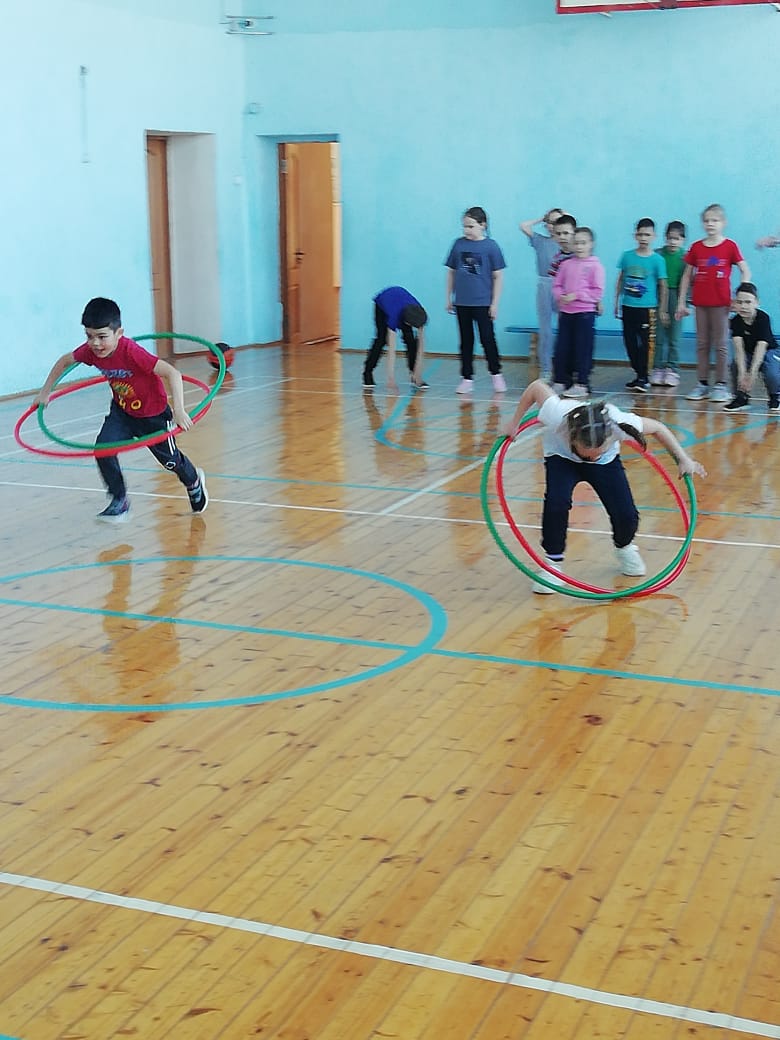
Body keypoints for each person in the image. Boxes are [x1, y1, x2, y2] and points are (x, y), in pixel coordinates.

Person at [502, 379, 706, 594]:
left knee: (626, 514)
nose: (591, 458)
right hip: (562, 459)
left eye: (597, 452)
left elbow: (658, 428)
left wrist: (684, 459)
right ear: (572, 436)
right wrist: (514, 423)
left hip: (606, 465)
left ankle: (624, 547)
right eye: (586, 453)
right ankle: (552, 565)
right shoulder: (557, 414)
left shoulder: (618, 422)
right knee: (556, 504)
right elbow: (536, 387)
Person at [32, 297, 208, 523]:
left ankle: (193, 481)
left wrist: (179, 411)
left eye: (102, 336)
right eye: (89, 336)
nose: (95, 343)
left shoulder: (131, 352)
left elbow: (172, 373)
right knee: (102, 449)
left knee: (170, 461)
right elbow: (64, 361)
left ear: (119, 333)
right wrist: (45, 392)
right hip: (122, 412)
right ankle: (120, 500)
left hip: (153, 415)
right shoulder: (90, 351)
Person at [676, 204, 751, 402]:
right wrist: (681, 302)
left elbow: (745, 270)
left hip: (721, 305)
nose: (710, 224)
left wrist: (741, 297)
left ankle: (721, 384)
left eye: (715, 220)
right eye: (707, 220)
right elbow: (686, 276)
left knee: (721, 344)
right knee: (702, 344)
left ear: (723, 223)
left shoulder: (730, 246)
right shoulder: (696, 247)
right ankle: (702, 384)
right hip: (700, 304)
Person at [445, 206, 507, 395]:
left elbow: (498, 276)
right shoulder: (458, 245)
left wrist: (494, 303)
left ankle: (496, 374)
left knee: (487, 338)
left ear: (482, 225)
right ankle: (467, 378)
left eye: (471, 226)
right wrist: (449, 297)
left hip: (482, 303)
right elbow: (451, 272)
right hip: (462, 302)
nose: (467, 230)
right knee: (466, 341)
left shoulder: (491, 246)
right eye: (465, 226)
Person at [615, 218, 668, 394]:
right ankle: (639, 373)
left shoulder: (658, 260)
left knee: (645, 344)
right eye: (640, 234)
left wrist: (662, 309)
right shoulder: (627, 256)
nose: (643, 238)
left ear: (654, 236)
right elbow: (621, 279)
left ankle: (644, 377)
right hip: (628, 307)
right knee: (629, 342)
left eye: (647, 234)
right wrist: (616, 301)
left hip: (647, 309)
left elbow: (663, 285)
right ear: (635, 235)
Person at [551, 226, 605, 398]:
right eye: (576, 243)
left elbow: (597, 292)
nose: (579, 247)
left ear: (591, 244)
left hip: (585, 314)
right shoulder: (566, 264)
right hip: (566, 313)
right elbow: (557, 285)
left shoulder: (596, 266)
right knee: (562, 347)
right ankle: (561, 380)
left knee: (583, 348)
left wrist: (577, 295)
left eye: (583, 243)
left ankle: (582, 383)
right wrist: (561, 296)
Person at [519, 208, 564, 382]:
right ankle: (546, 369)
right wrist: (541, 218)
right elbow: (523, 225)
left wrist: (564, 216)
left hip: (564, 286)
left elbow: (574, 226)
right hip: (545, 286)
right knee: (545, 330)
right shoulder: (540, 241)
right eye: (550, 222)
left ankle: (565, 368)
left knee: (565, 328)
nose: (554, 226)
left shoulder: (568, 243)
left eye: (557, 222)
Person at [723, 282, 780, 413]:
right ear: (735, 304)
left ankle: (775, 396)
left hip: (769, 351)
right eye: (740, 302)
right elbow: (739, 349)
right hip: (748, 352)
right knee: (735, 365)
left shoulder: (763, 318)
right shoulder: (735, 321)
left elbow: (761, 347)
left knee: (771, 371)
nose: (743, 306)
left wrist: (752, 374)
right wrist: (742, 374)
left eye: (748, 302)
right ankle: (741, 397)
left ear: (756, 303)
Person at [362, 286, 428, 391]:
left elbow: (421, 347)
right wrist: (391, 378)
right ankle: (367, 372)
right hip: (382, 305)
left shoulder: (419, 314)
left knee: (411, 341)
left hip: (401, 304)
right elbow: (391, 349)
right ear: (406, 322)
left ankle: (413, 375)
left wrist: (418, 374)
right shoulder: (394, 317)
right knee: (381, 340)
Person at [652, 220, 687, 387]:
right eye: (670, 238)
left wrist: (685, 303)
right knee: (658, 335)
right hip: (659, 295)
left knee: (674, 336)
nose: (673, 242)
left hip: (677, 296)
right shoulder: (657, 254)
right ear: (665, 238)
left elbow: (689, 282)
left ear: (683, 240)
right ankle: (657, 367)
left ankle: (672, 369)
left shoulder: (686, 258)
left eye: (677, 239)